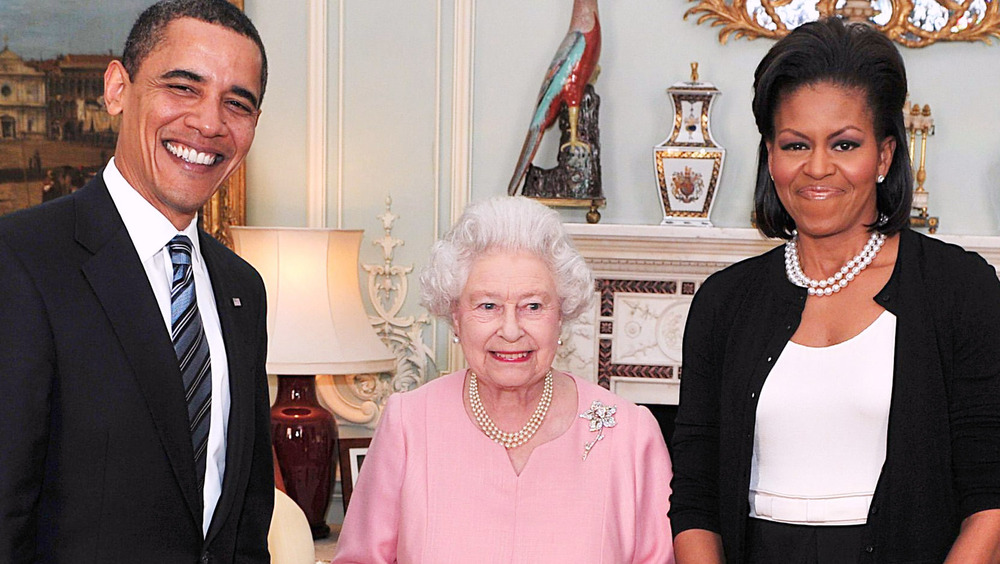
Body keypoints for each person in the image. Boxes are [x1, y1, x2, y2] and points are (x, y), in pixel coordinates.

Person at [669, 17, 1000, 563]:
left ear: (885, 156)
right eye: (795, 144)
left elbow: (990, 492)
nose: (817, 168)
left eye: (844, 144)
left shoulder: (958, 290)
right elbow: (696, 497)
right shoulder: (723, 303)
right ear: (770, 157)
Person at [0, 1, 273, 562]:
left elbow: (245, 520)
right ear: (117, 88)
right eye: (183, 87)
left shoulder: (243, 289)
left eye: (237, 103)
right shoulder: (21, 261)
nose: (209, 123)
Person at [333, 196, 674, 563]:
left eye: (533, 306)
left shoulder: (628, 434)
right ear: (456, 317)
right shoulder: (409, 423)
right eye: (488, 306)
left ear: (562, 314)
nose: (511, 330)